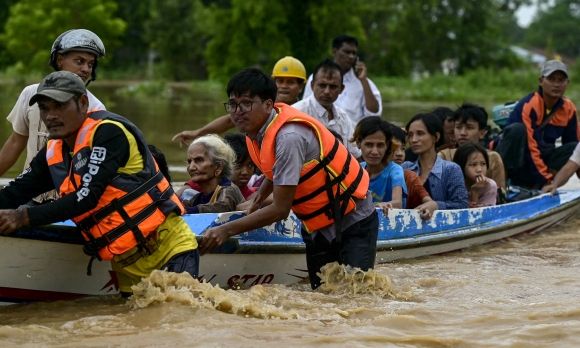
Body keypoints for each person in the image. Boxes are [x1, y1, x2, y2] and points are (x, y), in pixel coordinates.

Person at [0, 71, 198, 297]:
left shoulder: (109, 132)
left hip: (168, 248)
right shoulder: (53, 152)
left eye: (59, 106)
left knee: (177, 318)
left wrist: (22, 217)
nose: (51, 116)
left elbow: (87, 197)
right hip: (126, 263)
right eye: (44, 108)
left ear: (83, 103)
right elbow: (15, 192)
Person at [199, 68, 377, 290]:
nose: (238, 111)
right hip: (316, 223)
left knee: (357, 293)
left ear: (267, 105)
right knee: (323, 295)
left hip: (353, 217)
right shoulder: (258, 132)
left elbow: (281, 209)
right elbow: (275, 170)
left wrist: (226, 230)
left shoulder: (289, 137)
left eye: (246, 103)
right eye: (233, 104)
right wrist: (258, 197)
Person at [0, 29, 107, 204]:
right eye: (79, 61)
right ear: (59, 60)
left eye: (90, 64)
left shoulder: (95, 107)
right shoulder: (30, 94)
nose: (85, 69)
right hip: (28, 194)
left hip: (68, 200)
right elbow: (14, 143)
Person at [172, 56, 306, 146]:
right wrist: (197, 133)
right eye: (280, 81)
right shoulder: (259, 106)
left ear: (300, 87)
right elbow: (230, 120)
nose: (283, 86)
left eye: (290, 82)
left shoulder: (303, 113)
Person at [491, 60, 580, 189]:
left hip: (541, 160)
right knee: (517, 130)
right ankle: (502, 187)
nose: (556, 84)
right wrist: (546, 180)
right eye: (551, 79)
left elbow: (577, 151)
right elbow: (532, 147)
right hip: (518, 157)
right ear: (541, 81)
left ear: (567, 83)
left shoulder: (569, 108)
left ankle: (541, 187)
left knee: (573, 146)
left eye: (561, 80)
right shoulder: (530, 105)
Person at [303, 35, 382, 123]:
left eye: (354, 53)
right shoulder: (315, 79)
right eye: (347, 52)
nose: (351, 56)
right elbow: (306, 109)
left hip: (352, 134)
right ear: (334, 51)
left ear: (341, 88)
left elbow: (374, 114)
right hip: (320, 132)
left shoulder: (364, 83)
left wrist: (364, 81)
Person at [292, 58, 361, 158]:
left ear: (341, 89)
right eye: (322, 85)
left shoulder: (343, 117)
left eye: (333, 87)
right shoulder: (297, 113)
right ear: (312, 85)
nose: (327, 91)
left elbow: (355, 154)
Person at [403, 113, 468, 209]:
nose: (413, 140)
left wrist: (436, 205)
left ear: (436, 137)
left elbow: (461, 205)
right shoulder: (405, 168)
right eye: (410, 135)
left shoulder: (451, 170)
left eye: (420, 133)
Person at [438, 103, 506, 189]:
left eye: (469, 128)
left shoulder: (493, 158)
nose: (462, 133)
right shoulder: (444, 156)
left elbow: (500, 196)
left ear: (482, 133)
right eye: (458, 127)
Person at [351, 117, 406, 215]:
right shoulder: (356, 170)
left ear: (387, 145)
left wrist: (385, 205)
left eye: (380, 145)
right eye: (369, 145)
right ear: (359, 143)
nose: (375, 152)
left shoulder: (395, 171)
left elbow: (398, 203)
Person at [181, 134, 245, 213]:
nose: (191, 168)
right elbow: (183, 207)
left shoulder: (229, 189)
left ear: (218, 167)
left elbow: (222, 207)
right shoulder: (198, 199)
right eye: (190, 162)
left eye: (199, 160)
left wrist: (189, 210)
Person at [390, 124, 438, 218]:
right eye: (394, 148)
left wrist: (431, 205)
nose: (400, 154)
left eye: (403, 149)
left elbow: (430, 202)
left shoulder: (410, 177)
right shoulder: (364, 171)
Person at [453, 143, 498, 208]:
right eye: (473, 165)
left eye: (483, 164)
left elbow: (479, 215)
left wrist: (475, 192)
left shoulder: (490, 186)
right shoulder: (454, 184)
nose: (479, 170)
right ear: (461, 166)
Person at [224, 133, 259, 199]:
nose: (245, 172)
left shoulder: (253, 196)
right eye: (238, 165)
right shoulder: (203, 191)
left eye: (250, 165)